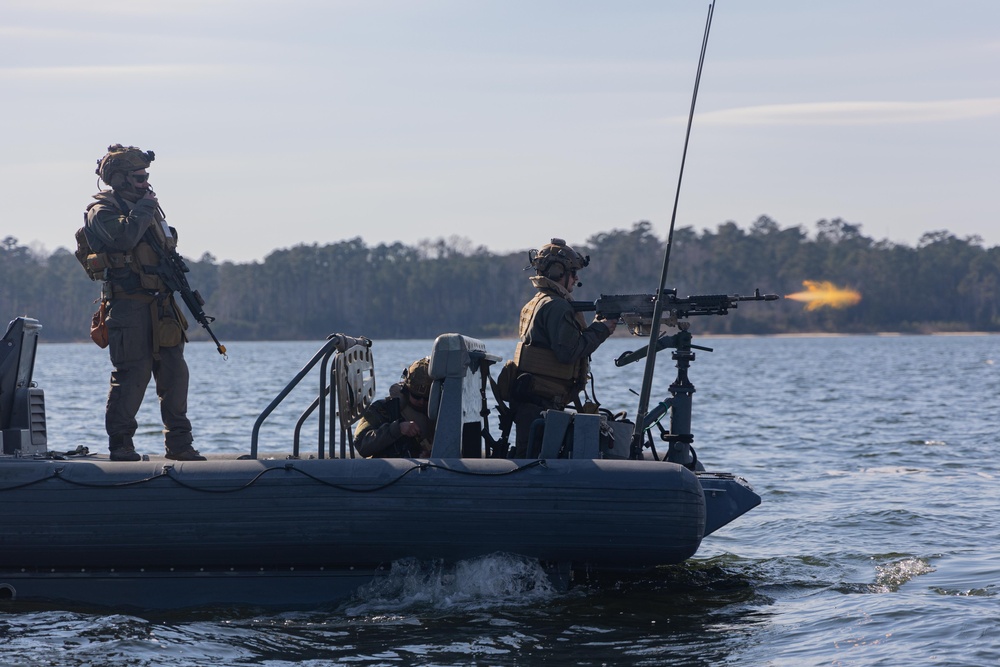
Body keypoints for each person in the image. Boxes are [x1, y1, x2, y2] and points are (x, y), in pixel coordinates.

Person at [84, 144, 205, 462]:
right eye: (138, 177)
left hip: (162, 307)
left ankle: (180, 444)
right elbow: (123, 239)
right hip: (129, 307)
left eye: (146, 177)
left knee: (175, 375)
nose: (145, 183)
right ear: (120, 179)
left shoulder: (149, 210)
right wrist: (143, 211)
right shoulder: (102, 210)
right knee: (131, 377)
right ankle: (121, 444)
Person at [509, 238, 617, 457]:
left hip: (535, 400)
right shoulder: (557, 306)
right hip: (540, 402)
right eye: (573, 272)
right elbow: (568, 352)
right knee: (534, 463)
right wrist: (602, 329)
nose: (576, 278)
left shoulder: (539, 301)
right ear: (559, 272)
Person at [353, 357, 436, 458]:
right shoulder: (384, 409)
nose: (422, 401)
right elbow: (361, 444)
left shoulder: (440, 414)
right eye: (416, 396)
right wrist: (397, 429)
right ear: (406, 390)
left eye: (427, 398)